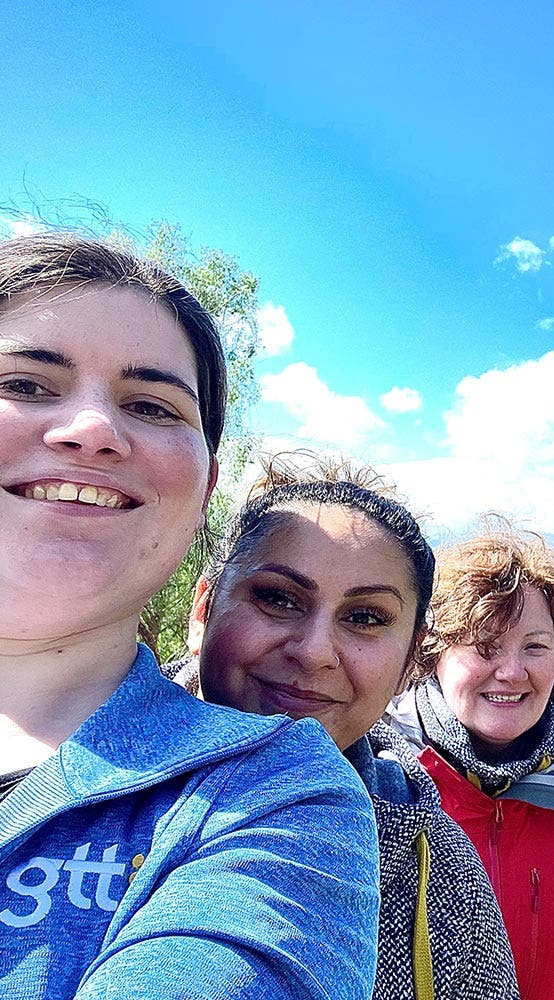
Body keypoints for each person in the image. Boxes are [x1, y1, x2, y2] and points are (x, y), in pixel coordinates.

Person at [0, 233, 379, 998]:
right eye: (27, 383)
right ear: (207, 602)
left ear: (203, 489)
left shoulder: (274, 795)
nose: (93, 428)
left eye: (150, 405)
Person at [179, 454, 519, 1000]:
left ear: (411, 657)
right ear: (203, 610)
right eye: (278, 598)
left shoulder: (435, 865)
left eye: (364, 618)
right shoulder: (54, 770)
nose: (314, 652)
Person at [388, 523, 554, 1000]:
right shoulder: (386, 778)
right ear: (434, 653)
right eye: (484, 646)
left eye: (535, 646)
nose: (512, 672)